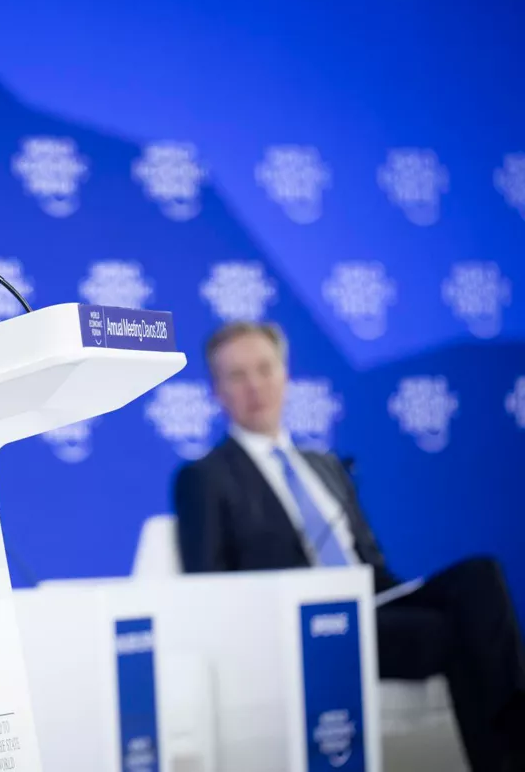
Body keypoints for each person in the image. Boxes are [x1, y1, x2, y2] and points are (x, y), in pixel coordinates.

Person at [173, 321, 525, 772]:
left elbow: (372, 564)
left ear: (285, 374)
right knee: (454, 634)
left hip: (375, 602)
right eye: (237, 375)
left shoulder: (325, 465)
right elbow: (208, 588)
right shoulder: (205, 477)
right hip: (307, 626)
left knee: (480, 577)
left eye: (264, 369)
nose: (255, 386)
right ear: (216, 391)